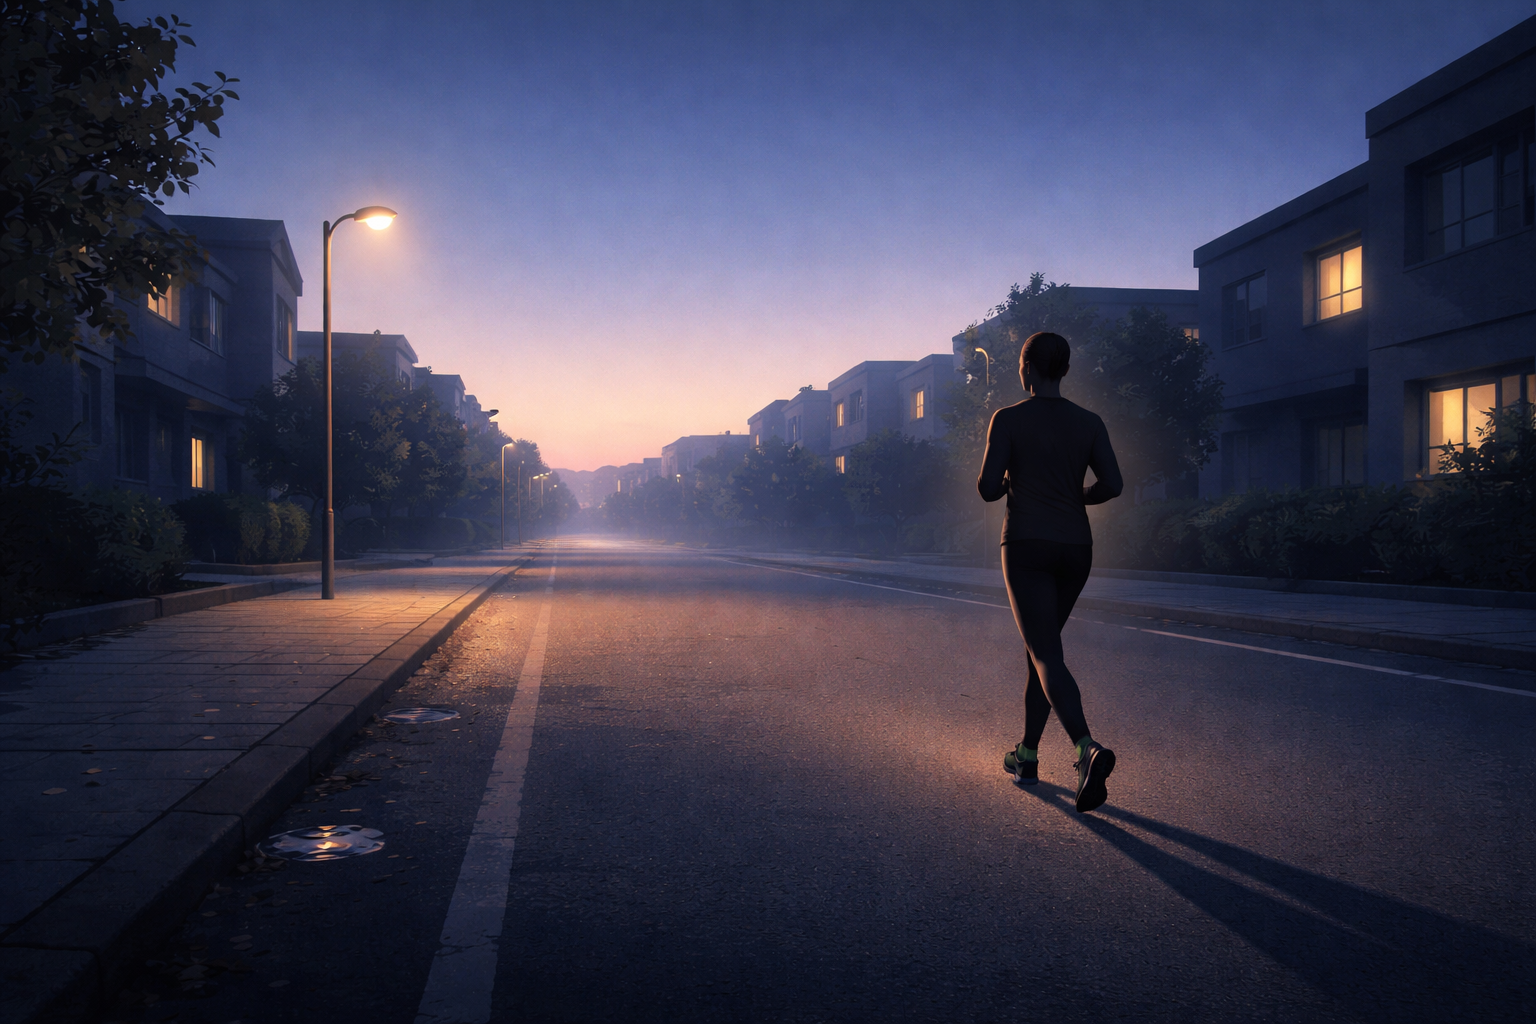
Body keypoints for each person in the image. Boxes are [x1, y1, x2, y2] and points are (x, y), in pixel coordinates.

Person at [977, 331, 1123, 813]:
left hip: (1026, 545)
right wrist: (1074, 496)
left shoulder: (1009, 418)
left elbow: (987, 489)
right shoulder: (1089, 421)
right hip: (1076, 548)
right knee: (1043, 653)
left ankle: (1086, 749)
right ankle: (1027, 756)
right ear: (1062, 369)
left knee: (1044, 654)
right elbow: (1113, 484)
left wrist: (1011, 477)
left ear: (1027, 369)